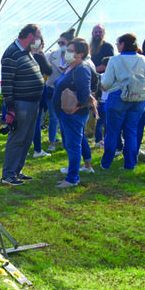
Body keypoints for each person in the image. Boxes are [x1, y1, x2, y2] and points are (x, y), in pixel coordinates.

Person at [0, 24, 45, 186]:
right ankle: (8, 174)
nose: (40, 40)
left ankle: (17, 170)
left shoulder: (27, 53)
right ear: (31, 36)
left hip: (33, 103)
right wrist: (10, 108)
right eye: (38, 36)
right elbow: (7, 83)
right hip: (21, 104)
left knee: (27, 139)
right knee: (17, 138)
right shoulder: (12, 53)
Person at [100, 33, 145, 171]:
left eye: (118, 44)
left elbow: (108, 82)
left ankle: (106, 163)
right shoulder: (143, 59)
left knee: (113, 132)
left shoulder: (115, 60)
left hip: (118, 97)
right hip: (138, 98)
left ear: (122, 45)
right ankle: (130, 165)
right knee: (131, 132)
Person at [52, 38, 97, 187]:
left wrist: (73, 109)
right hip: (65, 114)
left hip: (73, 114)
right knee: (74, 142)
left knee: (73, 145)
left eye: (71, 51)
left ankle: (72, 178)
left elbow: (85, 94)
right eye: (68, 49)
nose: (67, 53)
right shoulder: (69, 67)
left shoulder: (82, 69)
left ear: (81, 54)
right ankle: (81, 168)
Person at [45, 28, 75, 151]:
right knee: (53, 116)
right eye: (59, 43)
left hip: (67, 91)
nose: (60, 45)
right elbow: (45, 65)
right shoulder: (53, 55)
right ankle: (52, 142)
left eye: (63, 43)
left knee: (65, 116)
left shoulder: (74, 56)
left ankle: (65, 141)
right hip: (52, 88)